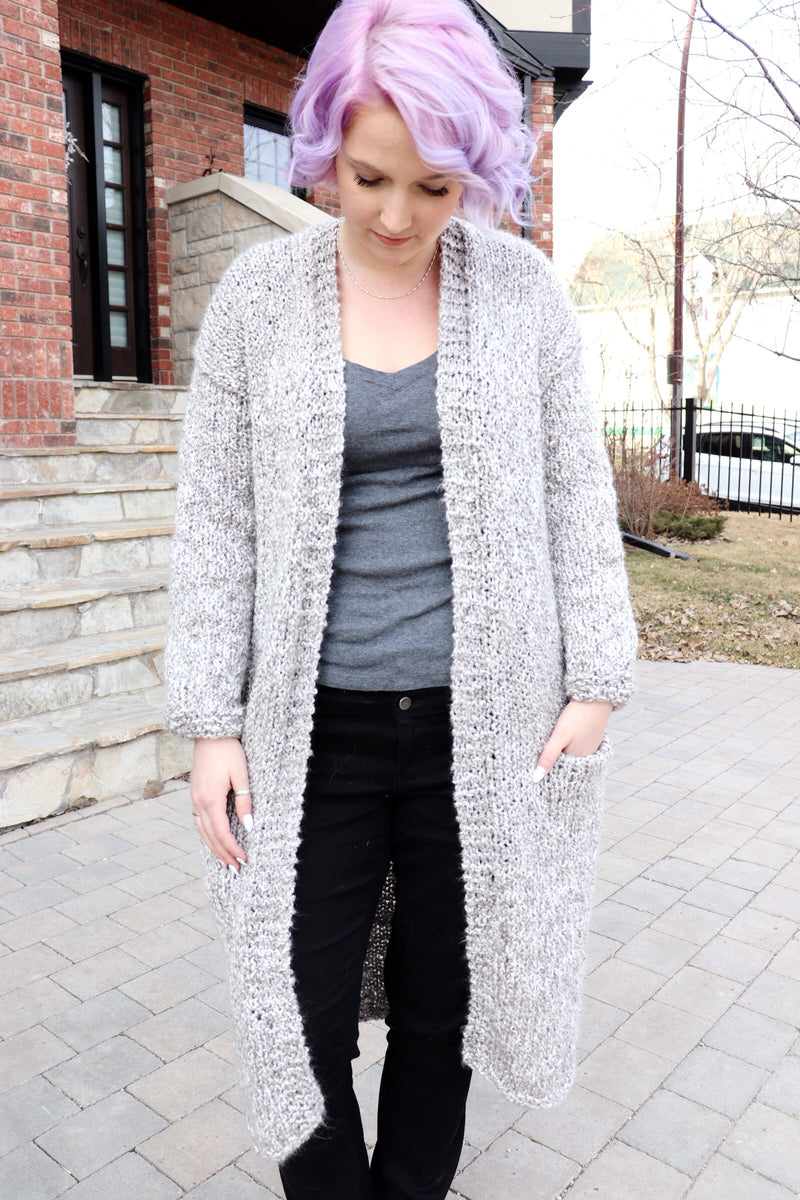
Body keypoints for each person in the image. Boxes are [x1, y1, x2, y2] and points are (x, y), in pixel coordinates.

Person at [164, 1, 638, 1197]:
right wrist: (210, 724)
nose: (392, 216)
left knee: (441, 1012)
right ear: (324, 147)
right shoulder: (259, 301)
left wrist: (595, 684)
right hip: (309, 733)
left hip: (487, 730)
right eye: (367, 177)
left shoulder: (520, 294)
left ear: (473, 172)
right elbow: (217, 521)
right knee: (298, 1017)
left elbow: (573, 491)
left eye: (433, 188)